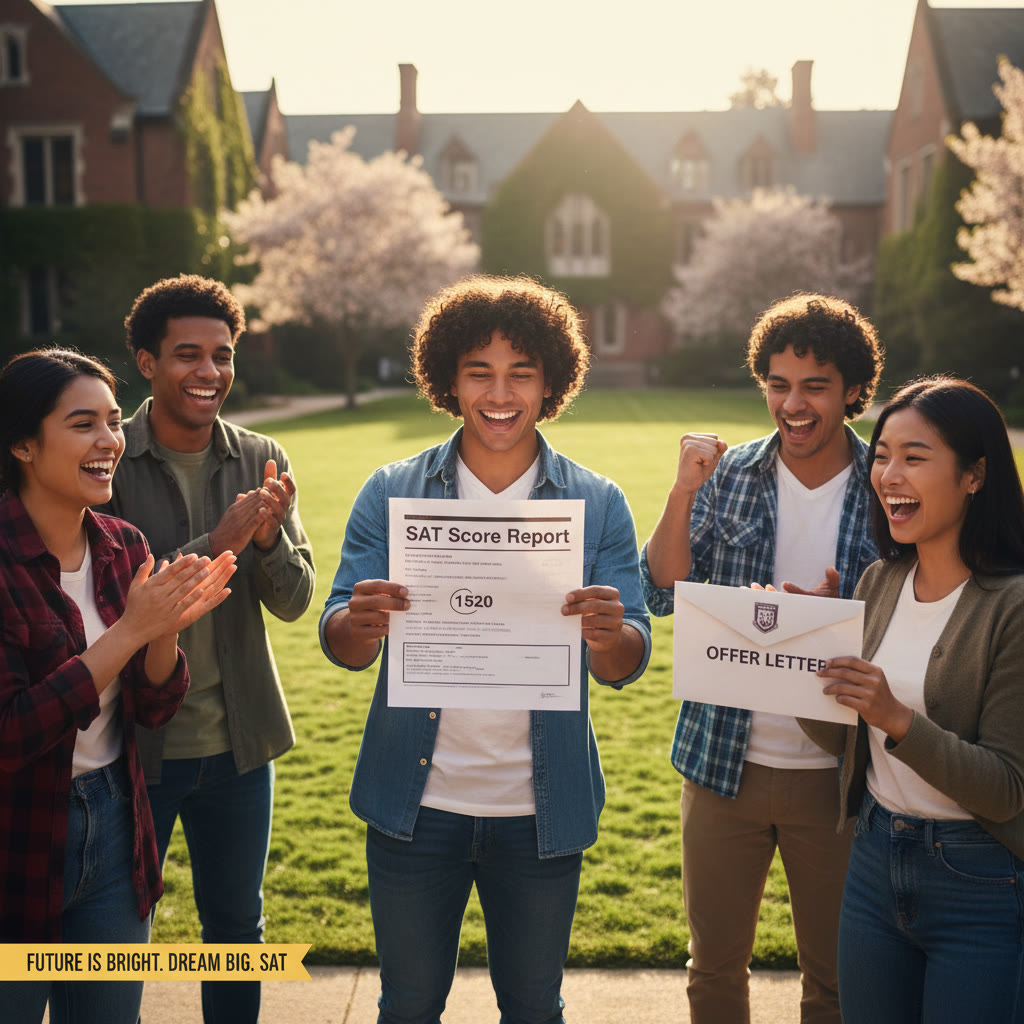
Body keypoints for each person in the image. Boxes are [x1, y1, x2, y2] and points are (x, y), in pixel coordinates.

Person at [320, 275, 651, 1024]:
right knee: (407, 1004)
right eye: (480, 372)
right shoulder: (394, 490)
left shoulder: (596, 502)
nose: (500, 394)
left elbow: (627, 660)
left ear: (551, 383)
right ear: (449, 380)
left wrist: (610, 633)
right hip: (416, 805)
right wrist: (360, 620)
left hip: (539, 808)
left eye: (521, 373)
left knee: (535, 1006)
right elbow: (342, 639)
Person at [642, 293, 885, 1024]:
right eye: (779, 384)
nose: (794, 403)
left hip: (841, 777)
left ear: (852, 392)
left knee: (837, 982)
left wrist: (846, 614)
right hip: (722, 764)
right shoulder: (730, 473)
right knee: (713, 972)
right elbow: (664, 590)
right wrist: (684, 489)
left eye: (815, 385)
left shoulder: (886, 485)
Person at [99, 275, 315, 1024]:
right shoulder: (108, 460)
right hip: (130, 747)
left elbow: (293, 602)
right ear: (146, 362)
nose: (209, 371)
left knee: (236, 929)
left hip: (238, 747)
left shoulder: (262, 455)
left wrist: (267, 537)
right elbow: (111, 606)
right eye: (187, 354)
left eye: (222, 354)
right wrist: (218, 544)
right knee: (118, 934)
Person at [0, 348, 235, 1024]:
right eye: (83, 425)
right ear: (22, 442)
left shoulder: (122, 545)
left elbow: (154, 706)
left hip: (114, 828)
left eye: (112, 421)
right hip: (19, 833)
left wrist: (165, 629)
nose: (110, 441)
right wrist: (131, 631)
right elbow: (13, 732)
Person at [800, 376, 1024, 1023]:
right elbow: (844, 735)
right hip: (873, 860)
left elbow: (1007, 787)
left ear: (975, 475)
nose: (888, 474)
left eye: (915, 457)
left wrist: (896, 717)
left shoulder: (1012, 607)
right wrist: (804, 660)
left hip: (980, 881)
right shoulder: (880, 581)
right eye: (882, 454)